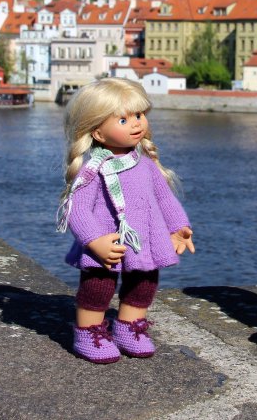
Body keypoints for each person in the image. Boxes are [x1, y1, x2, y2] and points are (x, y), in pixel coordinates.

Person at [56, 78, 195, 363]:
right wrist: (94, 240)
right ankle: (89, 332)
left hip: (143, 238)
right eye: (123, 119)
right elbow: (77, 210)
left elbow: (165, 199)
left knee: (144, 283)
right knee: (98, 287)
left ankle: (129, 327)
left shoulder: (145, 164)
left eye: (139, 115)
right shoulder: (93, 169)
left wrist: (178, 226)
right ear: (97, 132)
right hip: (106, 243)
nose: (136, 124)